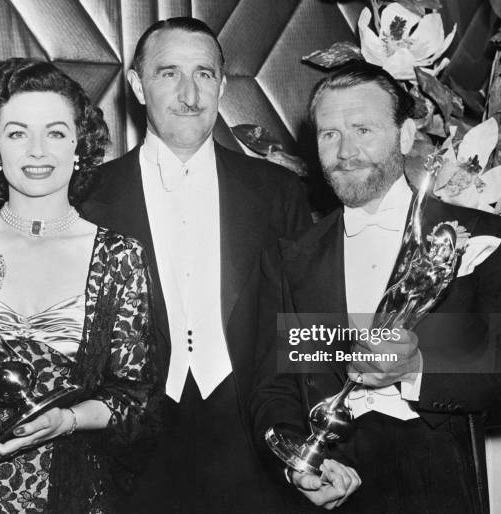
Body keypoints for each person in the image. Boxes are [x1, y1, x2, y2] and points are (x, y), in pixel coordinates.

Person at [80, 16, 359, 514]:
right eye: (169, 73)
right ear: (138, 85)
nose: (189, 92)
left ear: (223, 85)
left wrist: (309, 445)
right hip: (127, 445)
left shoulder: (279, 192)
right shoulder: (86, 198)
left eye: (204, 74)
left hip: (254, 435)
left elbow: (305, 328)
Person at [251, 60, 501, 514]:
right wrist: (300, 463)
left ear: (404, 135)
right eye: (330, 134)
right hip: (335, 483)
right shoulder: (289, 258)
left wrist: (416, 365)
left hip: (439, 475)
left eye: (363, 129)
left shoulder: (483, 234)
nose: (345, 151)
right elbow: (272, 387)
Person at [0, 58, 160, 514]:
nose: (36, 151)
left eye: (54, 132)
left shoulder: (119, 256)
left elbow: (133, 400)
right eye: (16, 132)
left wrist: (66, 420)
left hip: (71, 492)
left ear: (78, 146)